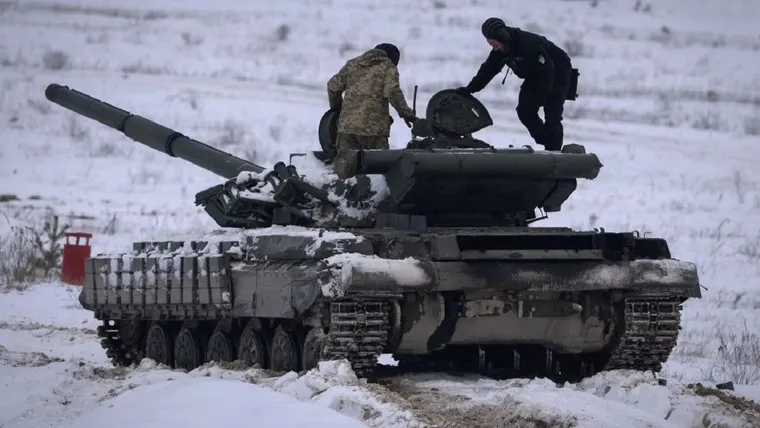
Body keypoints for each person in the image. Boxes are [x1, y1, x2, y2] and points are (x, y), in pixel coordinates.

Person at [458, 18, 576, 151]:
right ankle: (548, 141)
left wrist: (540, 97)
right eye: (491, 45)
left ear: (502, 38)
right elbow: (488, 70)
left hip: (558, 71)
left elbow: (547, 70)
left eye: (495, 44)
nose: (494, 48)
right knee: (524, 111)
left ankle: (554, 150)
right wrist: (470, 89)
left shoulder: (529, 44)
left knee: (552, 112)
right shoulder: (501, 51)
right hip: (535, 74)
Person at [326, 43, 417, 178]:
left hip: (347, 129)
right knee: (377, 176)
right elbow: (392, 92)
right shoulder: (388, 67)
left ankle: (342, 192)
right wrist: (407, 114)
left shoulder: (352, 64)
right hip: (374, 131)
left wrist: (337, 109)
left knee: (345, 171)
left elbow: (333, 87)